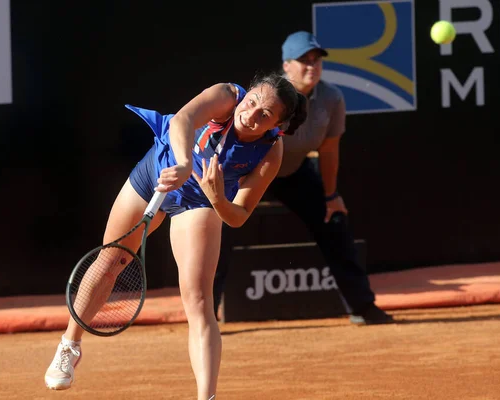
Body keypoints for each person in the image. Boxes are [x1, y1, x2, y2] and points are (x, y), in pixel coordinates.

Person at [44, 72, 307, 400]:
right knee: (111, 259)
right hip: (158, 172)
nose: (251, 114)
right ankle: (70, 345)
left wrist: (217, 199)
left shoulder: (271, 151)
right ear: (247, 92)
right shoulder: (226, 95)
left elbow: (238, 215)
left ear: (276, 126)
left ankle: (206, 398)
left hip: (199, 201)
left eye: (265, 115)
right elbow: (183, 118)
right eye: (253, 102)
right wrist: (184, 164)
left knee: (199, 301)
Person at [213, 31, 393, 326]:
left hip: (292, 171)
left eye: (316, 61)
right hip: (246, 171)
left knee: (333, 222)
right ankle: (208, 314)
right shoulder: (269, 97)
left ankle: (362, 306)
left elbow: (329, 149)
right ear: (286, 65)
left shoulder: (332, 98)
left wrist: (331, 196)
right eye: (304, 61)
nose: (312, 66)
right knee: (220, 232)